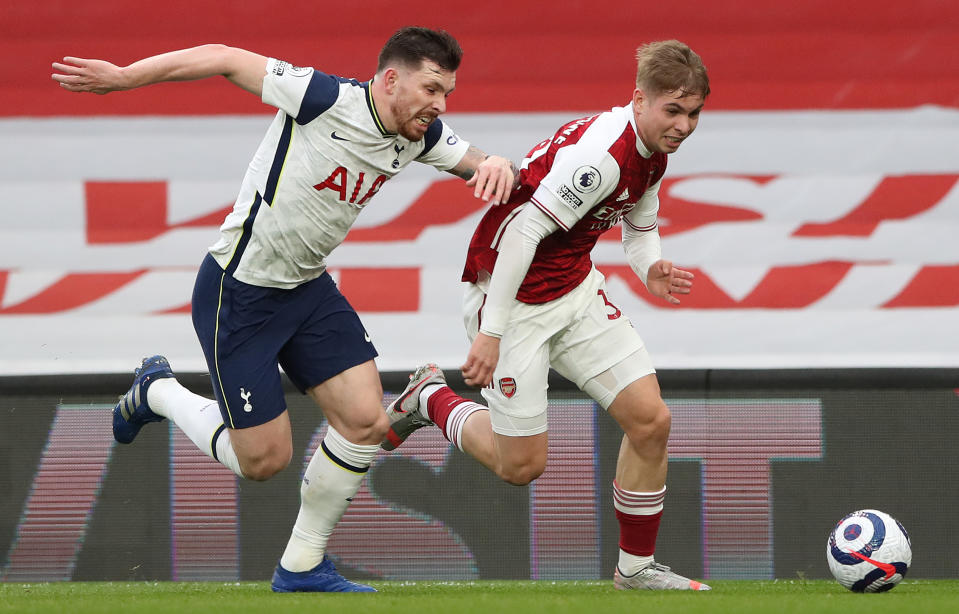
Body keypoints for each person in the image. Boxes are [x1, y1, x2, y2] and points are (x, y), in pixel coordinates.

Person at [51, 27, 515, 593]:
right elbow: (221, 56)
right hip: (237, 293)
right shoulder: (322, 98)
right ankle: (158, 392)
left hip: (308, 292)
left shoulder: (419, 135)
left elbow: (476, 161)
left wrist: (494, 162)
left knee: (366, 422)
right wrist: (125, 77)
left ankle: (301, 567)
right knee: (263, 461)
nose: (441, 105)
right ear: (391, 79)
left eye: (448, 93)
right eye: (433, 88)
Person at [382, 40, 711, 591]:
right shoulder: (602, 157)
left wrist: (650, 265)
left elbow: (640, 223)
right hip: (510, 300)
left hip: (573, 289)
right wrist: (491, 334)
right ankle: (429, 398)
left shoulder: (652, 151)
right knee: (521, 468)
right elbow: (521, 232)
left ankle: (636, 570)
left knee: (651, 422)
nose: (683, 124)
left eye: (694, 112)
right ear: (639, 99)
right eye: (672, 110)